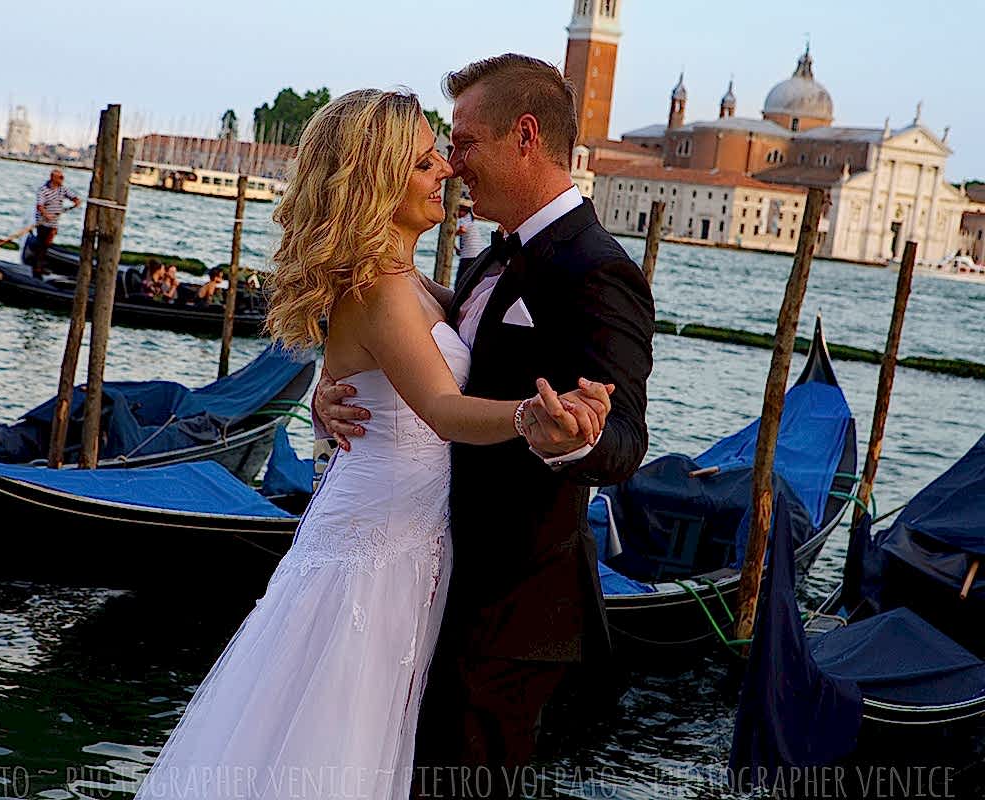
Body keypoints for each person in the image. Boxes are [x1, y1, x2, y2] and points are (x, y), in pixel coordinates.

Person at [134, 88, 614, 800]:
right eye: (424, 163)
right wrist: (533, 418)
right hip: (374, 545)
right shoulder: (380, 290)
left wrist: (329, 401)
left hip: (404, 537)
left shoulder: (416, 284)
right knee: (331, 742)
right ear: (380, 181)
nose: (445, 173)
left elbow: (413, 369)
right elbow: (443, 407)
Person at [315, 56, 654, 798]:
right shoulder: (488, 255)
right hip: (424, 578)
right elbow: (397, 348)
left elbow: (625, 435)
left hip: (511, 606)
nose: (450, 162)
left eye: (463, 143)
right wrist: (331, 389)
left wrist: (576, 438)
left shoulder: (597, 270)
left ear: (524, 136)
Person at [30, 169, 81, 276]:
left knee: (47, 243)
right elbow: (40, 206)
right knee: (42, 243)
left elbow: (72, 196)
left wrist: (76, 201)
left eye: (62, 177)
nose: (62, 180)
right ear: (53, 178)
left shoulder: (62, 189)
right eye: (60, 177)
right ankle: (37, 267)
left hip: (54, 222)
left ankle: (40, 265)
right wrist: (46, 215)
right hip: (42, 221)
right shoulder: (43, 190)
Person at [454, 201, 487, 288]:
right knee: (469, 280)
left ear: (463, 211)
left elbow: (462, 230)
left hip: (469, 255)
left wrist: (451, 235)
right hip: (475, 253)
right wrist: (456, 248)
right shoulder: (470, 220)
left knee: (460, 281)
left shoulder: (465, 219)